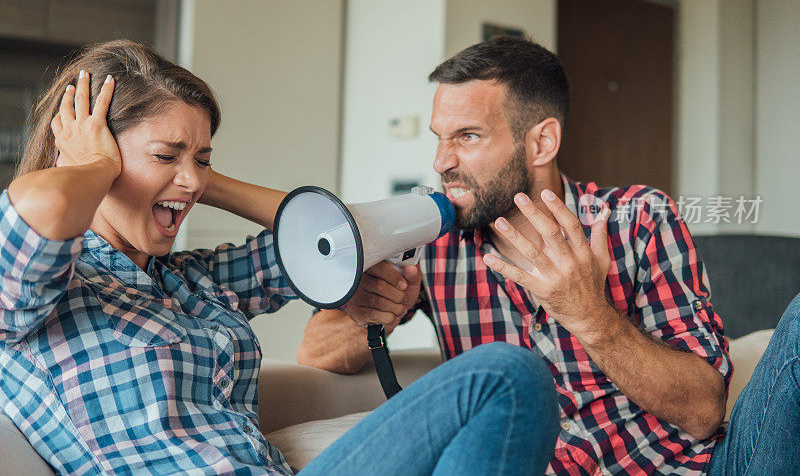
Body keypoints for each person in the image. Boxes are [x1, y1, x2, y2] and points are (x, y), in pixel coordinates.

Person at [0, 40, 560, 475]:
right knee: (504, 374)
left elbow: (330, 234)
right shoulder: (44, 291)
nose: (192, 179)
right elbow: (41, 204)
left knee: (509, 382)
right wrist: (91, 168)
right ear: (89, 153)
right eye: (166, 154)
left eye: (204, 158)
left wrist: (199, 179)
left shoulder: (189, 282)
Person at [298, 36, 800, 474]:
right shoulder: (433, 246)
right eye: (440, 139)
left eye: (467, 136)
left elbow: (705, 410)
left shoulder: (641, 219)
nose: (441, 161)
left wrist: (589, 314)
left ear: (542, 142)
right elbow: (315, 354)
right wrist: (376, 313)